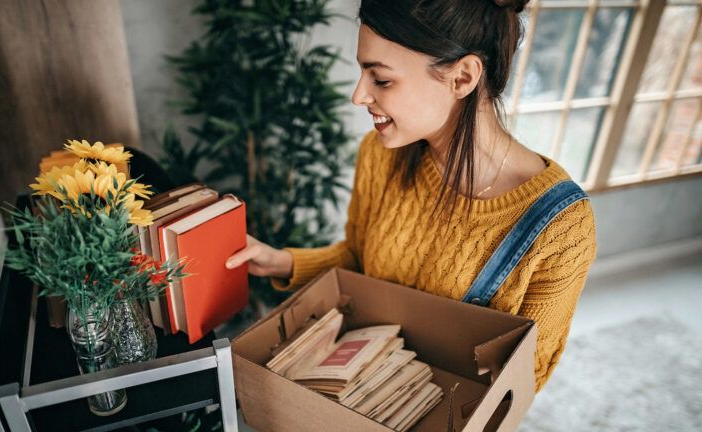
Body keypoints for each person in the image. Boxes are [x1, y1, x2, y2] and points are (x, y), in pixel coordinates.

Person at [226, 0, 597, 393]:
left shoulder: (561, 227)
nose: (358, 96)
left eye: (381, 80)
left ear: (462, 78)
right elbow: (357, 260)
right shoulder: (380, 155)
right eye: (362, 73)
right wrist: (280, 262)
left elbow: (525, 378)